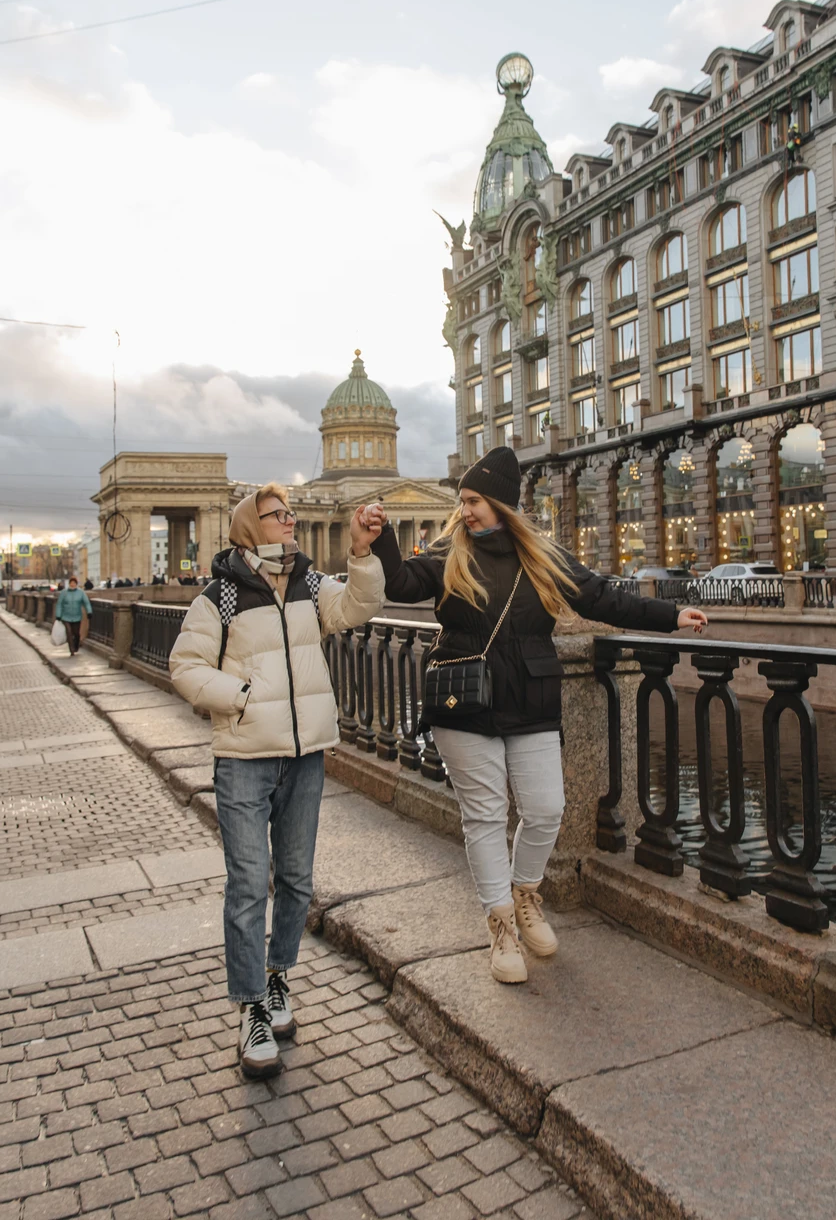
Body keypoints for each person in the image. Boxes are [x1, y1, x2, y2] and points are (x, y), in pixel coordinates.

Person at [366, 446, 708, 986]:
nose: (467, 510)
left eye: (475, 501)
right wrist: (381, 539)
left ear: (503, 504)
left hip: (530, 698)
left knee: (547, 808)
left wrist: (669, 615)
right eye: (463, 501)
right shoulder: (447, 553)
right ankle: (501, 925)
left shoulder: (544, 557)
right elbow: (399, 584)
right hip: (464, 702)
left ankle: (527, 895)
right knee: (483, 816)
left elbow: (600, 599)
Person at [169, 482, 385, 1079]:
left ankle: (277, 979)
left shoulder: (312, 586)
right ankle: (249, 1011)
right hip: (243, 759)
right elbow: (184, 665)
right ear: (248, 528)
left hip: (305, 755)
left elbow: (360, 607)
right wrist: (240, 699)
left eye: (291, 514)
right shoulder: (220, 597)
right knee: (247, 885)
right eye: (276, 516)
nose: (290, 522)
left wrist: (362, 553)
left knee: (295, 880)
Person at [55, 577, 92, 656]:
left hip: (77, 616)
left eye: (74, 583)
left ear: (76, 584)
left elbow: (86, 603)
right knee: (69, 632)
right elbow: (59, 604)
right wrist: (58, 615)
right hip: (65, 616)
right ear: (69, 584)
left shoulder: (81, 593)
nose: (72, 584)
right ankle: (71, 649)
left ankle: (76, 646)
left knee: (76, 633)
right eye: (71, 583)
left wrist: (89, 612)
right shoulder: (64, 593)